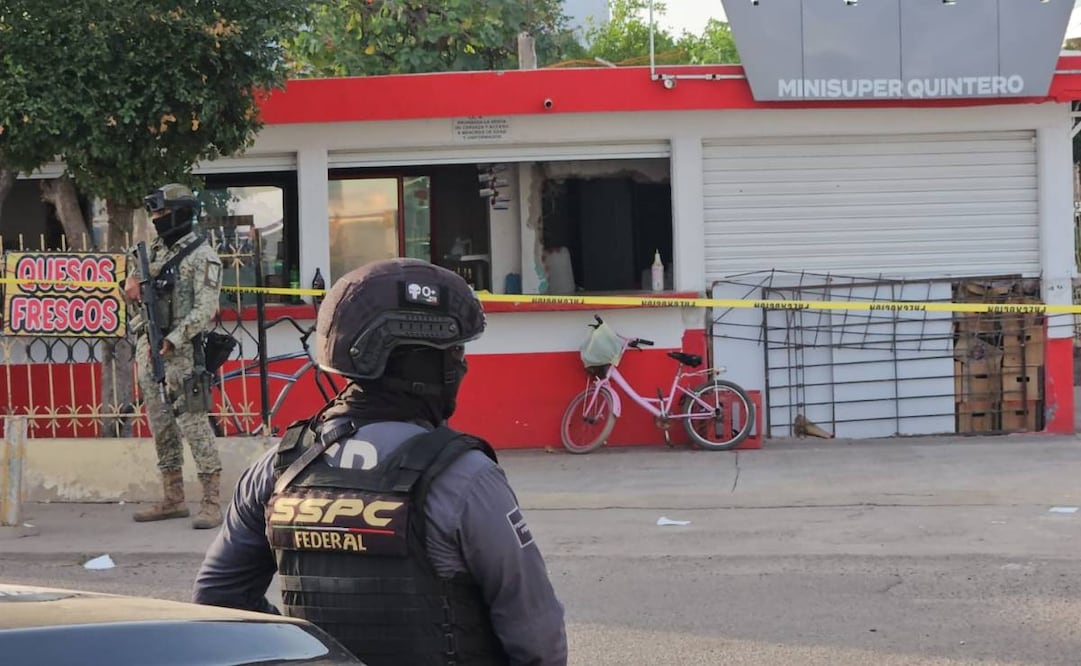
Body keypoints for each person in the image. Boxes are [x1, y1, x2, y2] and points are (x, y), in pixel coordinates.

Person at [192, 258, 568, 666]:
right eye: (455, 351)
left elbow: (218, 599)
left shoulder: (279, 469)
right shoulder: (466, 478)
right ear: (421, 364)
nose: (462, 364)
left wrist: (304, 650)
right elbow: (539, 641)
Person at [123, 183, 225, 529]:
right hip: (150, 349)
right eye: (154, 213)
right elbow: (136, 289)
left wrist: (174, 338)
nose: (157, 218)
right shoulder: (151, 252)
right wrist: (130, 286)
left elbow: (206, 309)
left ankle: (211, 502)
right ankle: (173, 498)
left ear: (181, 213)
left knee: (194, 426)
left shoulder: (203, 256)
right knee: (161, 425)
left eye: (163, 212)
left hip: (182, 354)